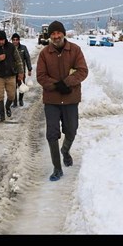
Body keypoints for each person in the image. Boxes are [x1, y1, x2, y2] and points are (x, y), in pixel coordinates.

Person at [36, 21, 89, 181]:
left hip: (71, 98)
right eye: (53, 34)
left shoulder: (75, 50)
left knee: (71, 130)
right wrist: (56, 85)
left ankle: (65, 151)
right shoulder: (45, 53)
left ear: (63, 33)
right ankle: (57, 168)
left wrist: (66, 82)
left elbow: (82, 71)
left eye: (58, 33)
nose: (56, 36)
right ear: (49, 36)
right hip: (51, 100)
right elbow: (41, 76)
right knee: (52, 135)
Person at [0, 30, 24, 122]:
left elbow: (18, 60)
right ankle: (2, 115)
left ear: (5, 39)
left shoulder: (11, 47)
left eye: (2, 40)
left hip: (11, 75)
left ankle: (7, 106)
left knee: (12, 96)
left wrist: (21, 72)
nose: (1, 42)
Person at [11, 33, 32, 107]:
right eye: (14, 40)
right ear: (12, 40)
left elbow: (27, 59)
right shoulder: (9, 48)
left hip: (21, 71)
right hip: (12, 71)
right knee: (13, 87)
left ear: (19, 40)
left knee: (21, 86)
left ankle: (20, 100)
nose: (15, 41)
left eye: (16, 40)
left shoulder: (23, 48)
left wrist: (29, 69)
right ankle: (14, 102)